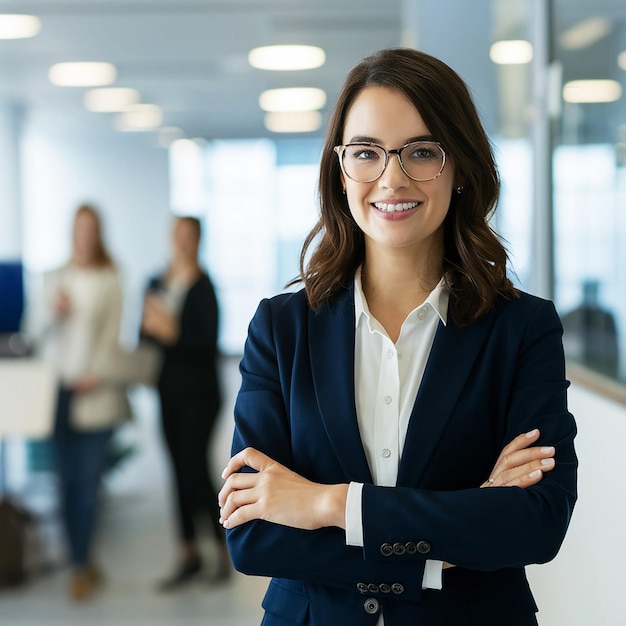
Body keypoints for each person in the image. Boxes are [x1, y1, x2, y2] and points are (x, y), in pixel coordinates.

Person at [218, 48, 578, 625]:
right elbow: (253, 535)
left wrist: (327, 504)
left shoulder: (521, 328)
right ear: (340, 170)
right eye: (366, 153)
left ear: (459, 166)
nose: (392, 178)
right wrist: (449, 543)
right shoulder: (282, 328)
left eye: (421, 152)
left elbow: (535, 523)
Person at [40, 204, 130, 601]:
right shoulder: (54, 279)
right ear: (71, 233)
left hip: (96, 395)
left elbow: (113, 338)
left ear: (99, 234)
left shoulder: (110, 279)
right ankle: (80, 559)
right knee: (64, 483)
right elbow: (34, 335)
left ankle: (80, 563)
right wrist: (51, 313)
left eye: (91, 229)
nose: (84, 236)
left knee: (88, 485)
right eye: (79, 229)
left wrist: (98, 373)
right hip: (57, 396)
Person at [140, 216, 229, 591]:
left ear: (198, 241)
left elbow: (207, 344)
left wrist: (171, 332)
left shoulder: (205, 287)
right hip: (167, 392)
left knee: (195, 471)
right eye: (175, 234)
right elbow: (143, 336)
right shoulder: (156, 283)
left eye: (188, 236)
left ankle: (223, 553)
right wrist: (155, 330)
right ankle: (188, 553)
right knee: (177, 473)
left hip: (201, 395)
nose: (181, 242)